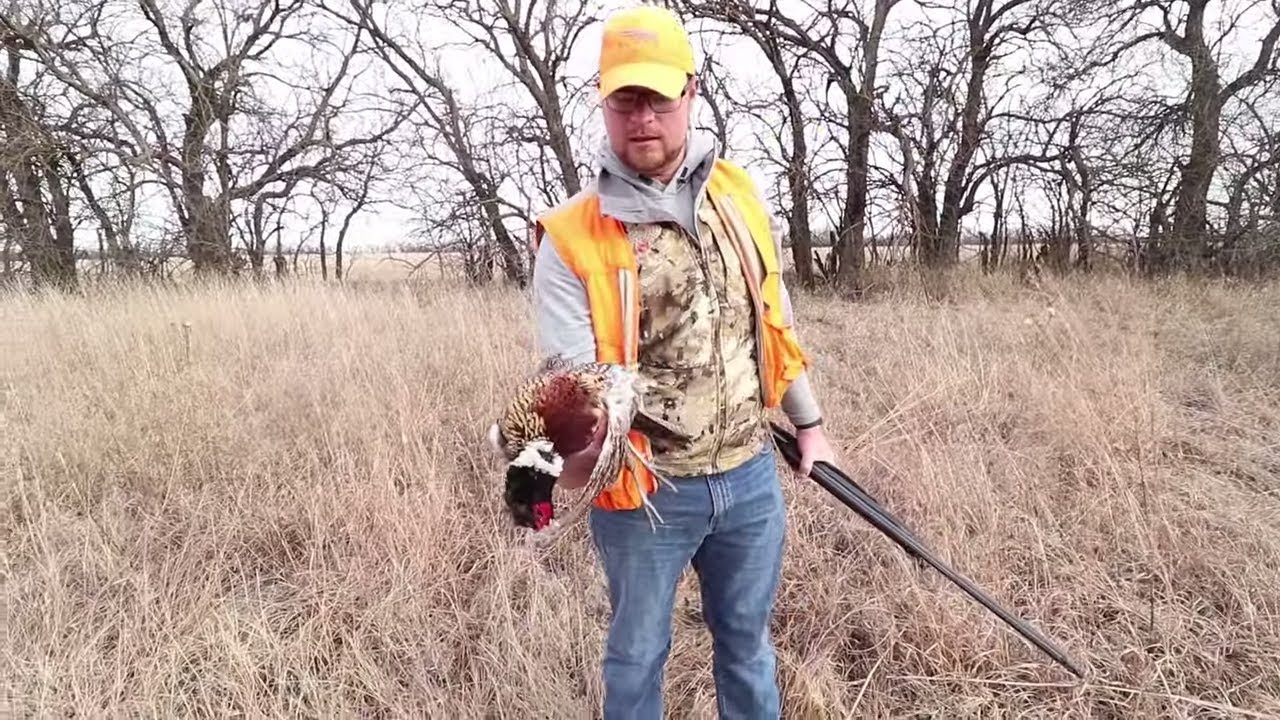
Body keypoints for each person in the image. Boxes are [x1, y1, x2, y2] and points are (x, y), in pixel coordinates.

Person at [528, 5, 836, 718]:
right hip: (646, 495)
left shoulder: (738, 196)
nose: (642, 118)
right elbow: (574, 381)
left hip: (750, 478)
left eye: (658, 98)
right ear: (602, 103)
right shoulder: (571, 237)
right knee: (637, 656)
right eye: (624, 100)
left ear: (691, 92)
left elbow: (774, 319)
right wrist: (572, 450)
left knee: (748, 646)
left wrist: (809, 424)